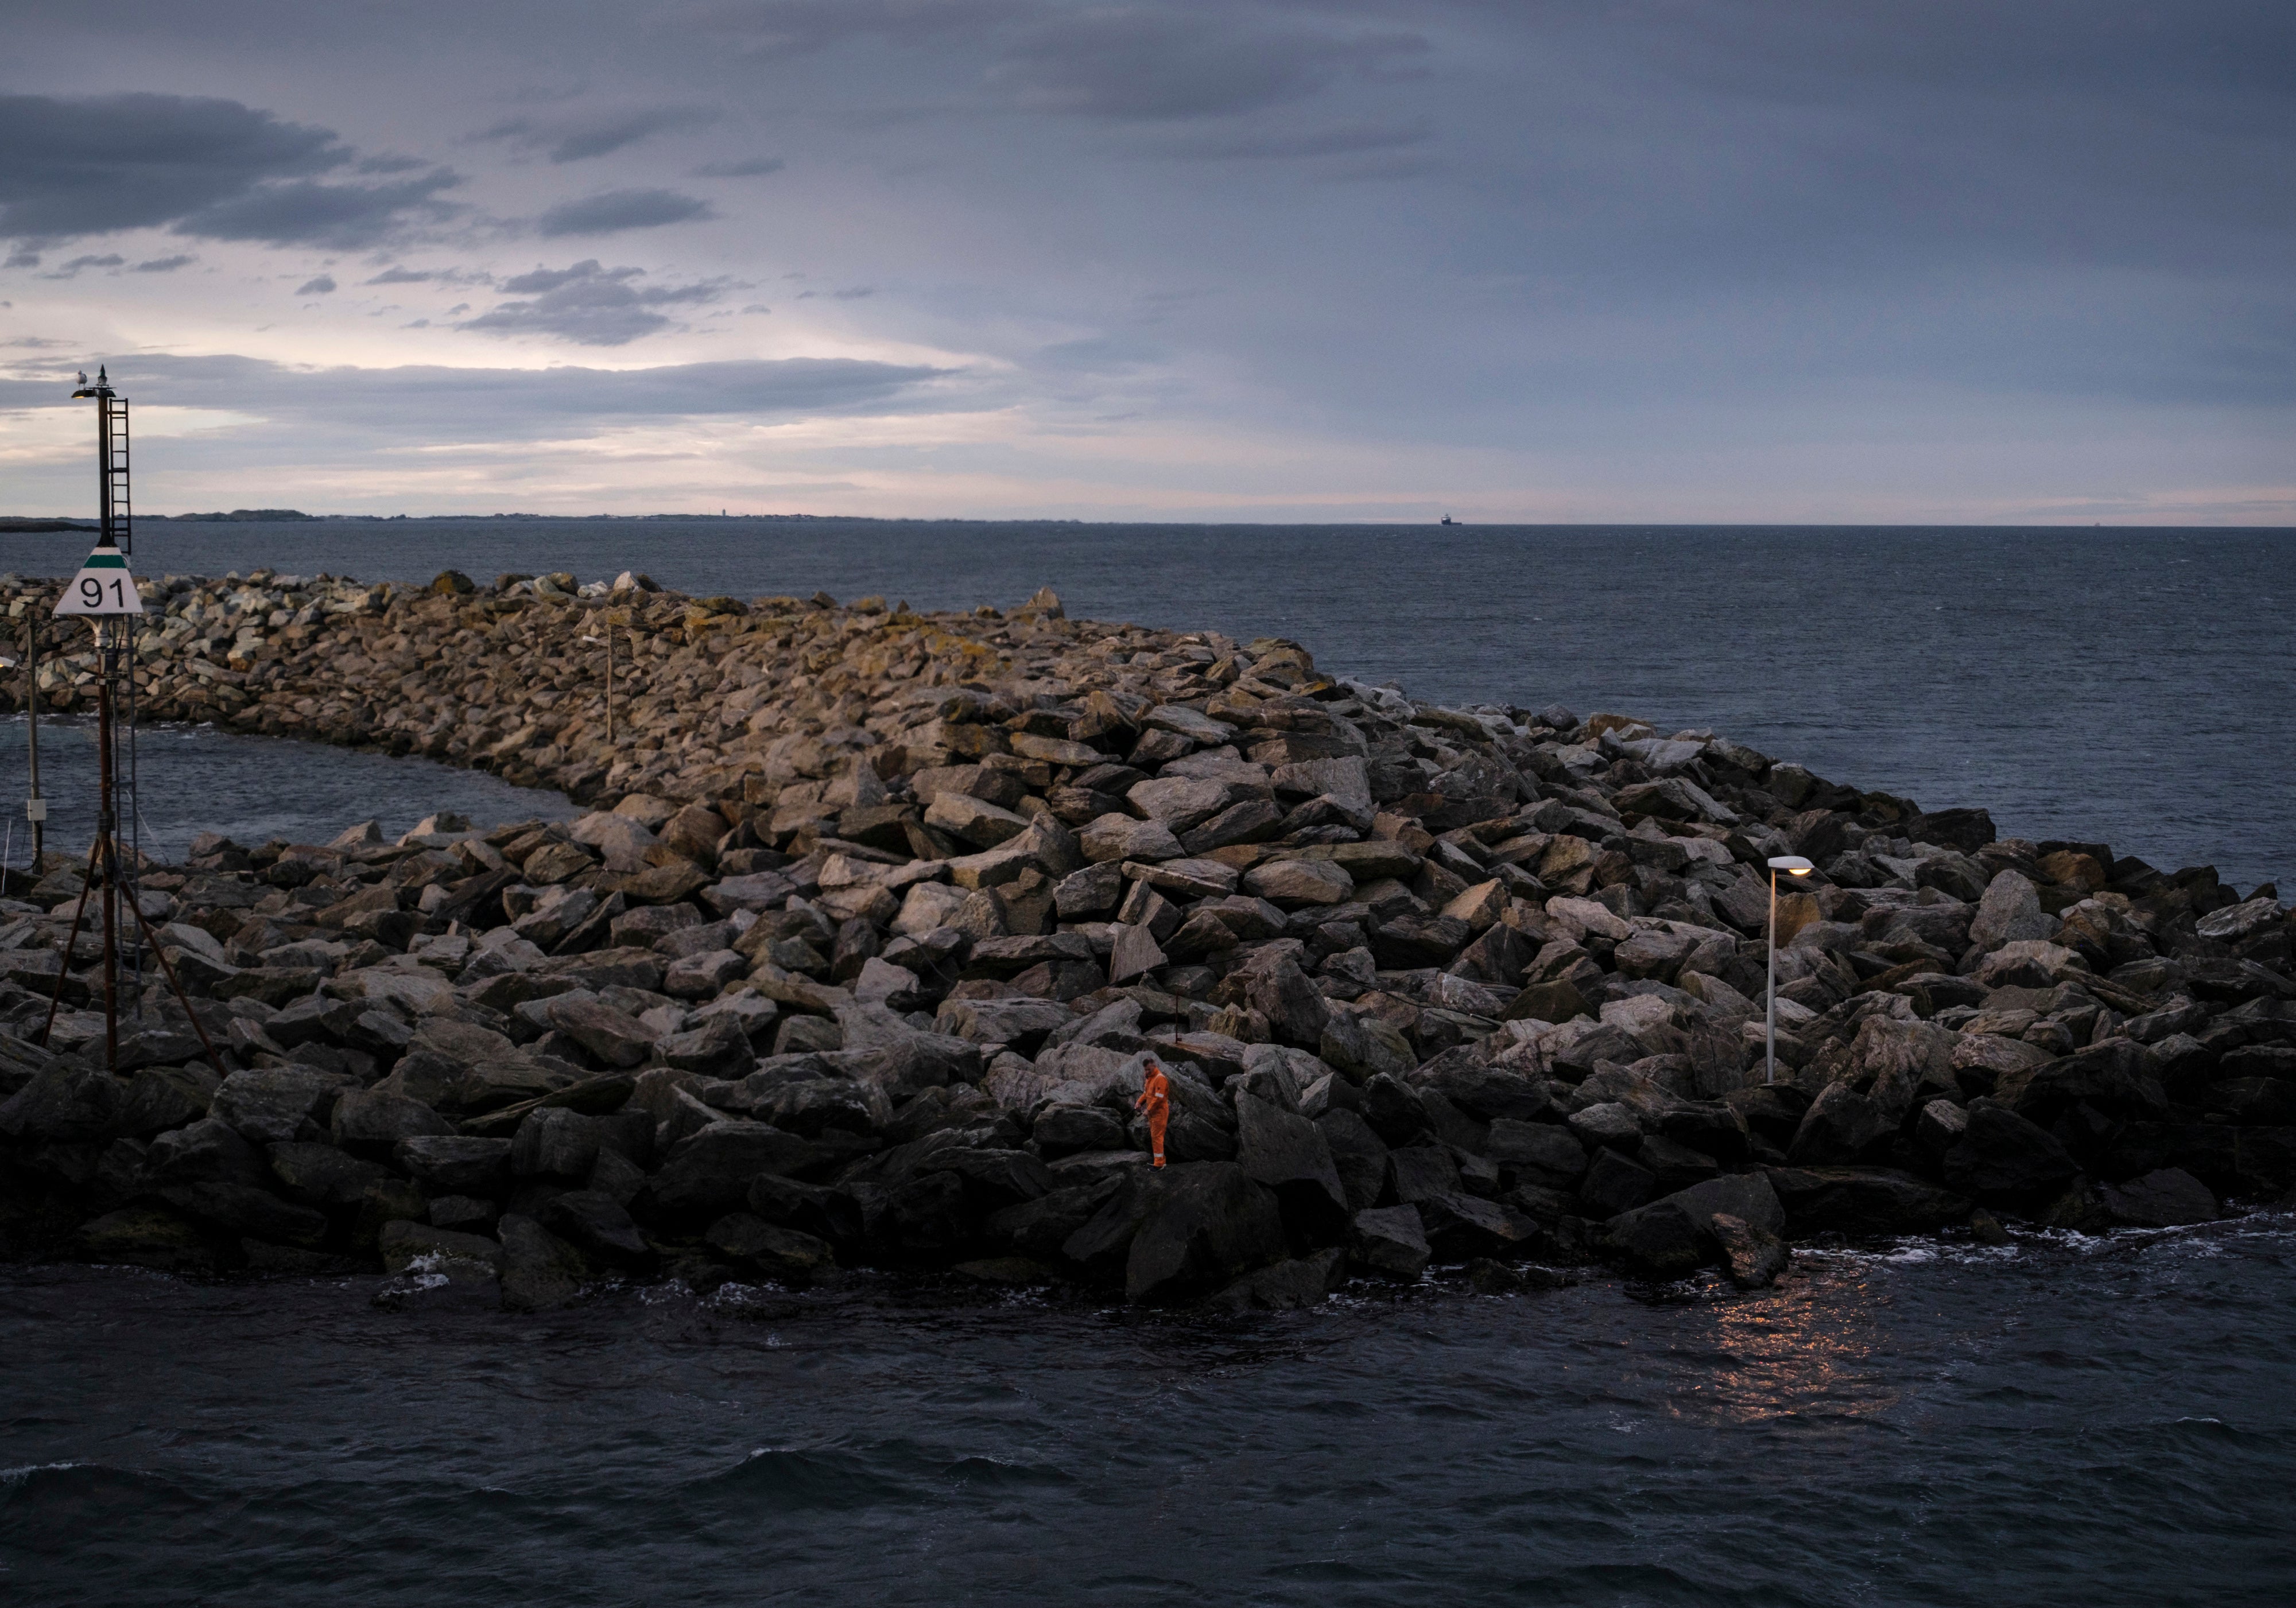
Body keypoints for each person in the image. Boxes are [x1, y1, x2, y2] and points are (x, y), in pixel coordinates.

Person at [1135, 1057, 1172, 1168]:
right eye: (1145, 1070)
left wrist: (1148, 1109)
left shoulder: (1160, 1078)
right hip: (1152, 1114)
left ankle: (1159, 1164)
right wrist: (1139, 1102)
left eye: (1149, 1070)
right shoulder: (1150, 1079)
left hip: (1160, 1113)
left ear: (1154, 1067)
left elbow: (1159, 1098)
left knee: (1157, 1138)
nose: (1147, 1072)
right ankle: (1158, 1161)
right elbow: (1146, 1094)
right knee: (1155, 1137)